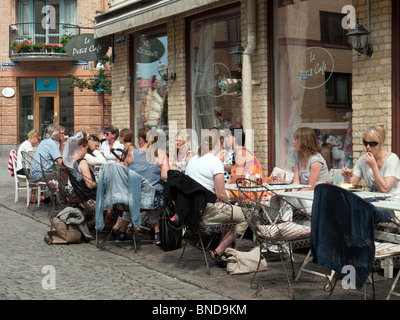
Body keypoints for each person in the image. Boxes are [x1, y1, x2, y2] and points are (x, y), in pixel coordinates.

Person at [185, 128, 248, 264]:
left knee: (229, 213)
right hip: (206, 211)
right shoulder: (215, 162)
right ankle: (219, 251)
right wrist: (230, 205)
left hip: (191, 211)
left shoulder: (192, 161)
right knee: (246, 215)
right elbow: (221, 194)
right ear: (218, 143)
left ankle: (226, 253)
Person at [113, 126, 170, 243]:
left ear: (140, 139)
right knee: (155, 198)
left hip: (132, 199)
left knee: (133, 201)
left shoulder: (131, 154)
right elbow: (165, 176)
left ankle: (122, 233)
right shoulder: (160, 153)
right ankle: (157, 233)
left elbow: (124, 175)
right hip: (153, 199)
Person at [342, 124, 400, 200]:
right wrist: (347, 178)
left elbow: (384, 189)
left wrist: (373, 166)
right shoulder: (362, 160)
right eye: (365, 143)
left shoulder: (392, 159)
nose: (368, 147)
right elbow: (352, 186)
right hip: (373, 202)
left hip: (392, 203)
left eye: (372, 144)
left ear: (381, 143)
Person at [63, 133, 97, 199]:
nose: (86, 152)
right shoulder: (82, 162)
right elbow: (89, 185)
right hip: (88, 197)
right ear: (81, 147)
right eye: (86, 149)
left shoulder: (69, 161)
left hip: (78, 195)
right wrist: (99, 183)